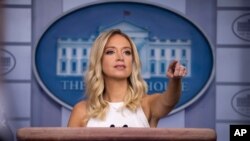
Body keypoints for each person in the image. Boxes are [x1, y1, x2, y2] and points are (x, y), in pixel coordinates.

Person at [67, 29, 187, 128]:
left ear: (133, 62)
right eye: (110, 52)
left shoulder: (146, 104)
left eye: (127, 52)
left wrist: (175, 80)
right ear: (99, 60)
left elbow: (169, 101)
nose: (120, 57)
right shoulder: (81, 111)